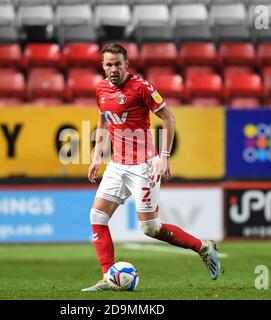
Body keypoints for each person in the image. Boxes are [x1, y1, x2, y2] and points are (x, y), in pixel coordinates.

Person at [81, 44, 221, 292]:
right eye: (108, 64)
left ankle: (203, 247)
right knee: (97, 216)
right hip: (117, 165)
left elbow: (168, 117)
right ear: (102, 66)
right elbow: (103, 119)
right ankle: (108, 276)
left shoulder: (141, 87)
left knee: (151, 228)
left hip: (143, 166)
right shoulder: (101, 89)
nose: (113, 69)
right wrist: (95, 156)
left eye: (117, 64)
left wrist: (164, 157)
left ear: (126, 64)